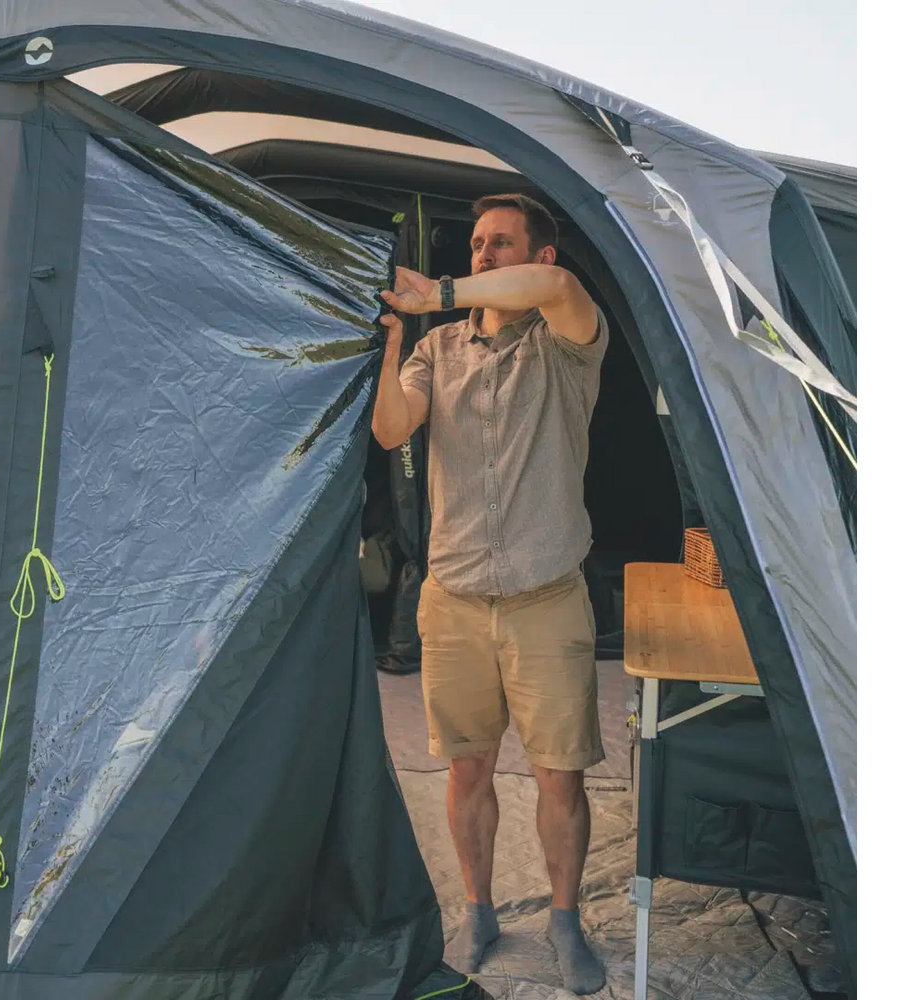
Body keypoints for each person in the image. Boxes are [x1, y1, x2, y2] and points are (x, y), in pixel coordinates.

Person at [373, 194, 608, 994]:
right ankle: (479, 911)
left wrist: (433, 291)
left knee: (560, 778)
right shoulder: (439, 349)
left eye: (499, 243)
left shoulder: (568, 340)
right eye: (474, 243)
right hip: (457, 600)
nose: (480, 255)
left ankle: (565, 922)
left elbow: (559, 291)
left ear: (539, 258)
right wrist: (395, 344)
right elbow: (392, 429)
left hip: (547, 599)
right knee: (468, 773)